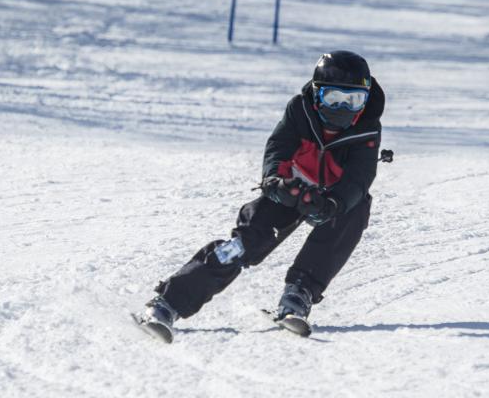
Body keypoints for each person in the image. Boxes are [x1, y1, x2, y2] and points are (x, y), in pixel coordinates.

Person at [137, 50, 385, 341]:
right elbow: (279, 146)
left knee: (354, 211)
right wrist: (274, 181)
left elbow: (360, 175)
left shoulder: (367, 129)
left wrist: (335, 203)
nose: (342, 107)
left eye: (353, 100)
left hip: (333, 197)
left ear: (365, 100)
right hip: (290, 189)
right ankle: (169, 302)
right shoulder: (299, 111)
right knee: (243, 245)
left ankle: (299, 293)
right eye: (333, 98)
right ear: (317, 95)